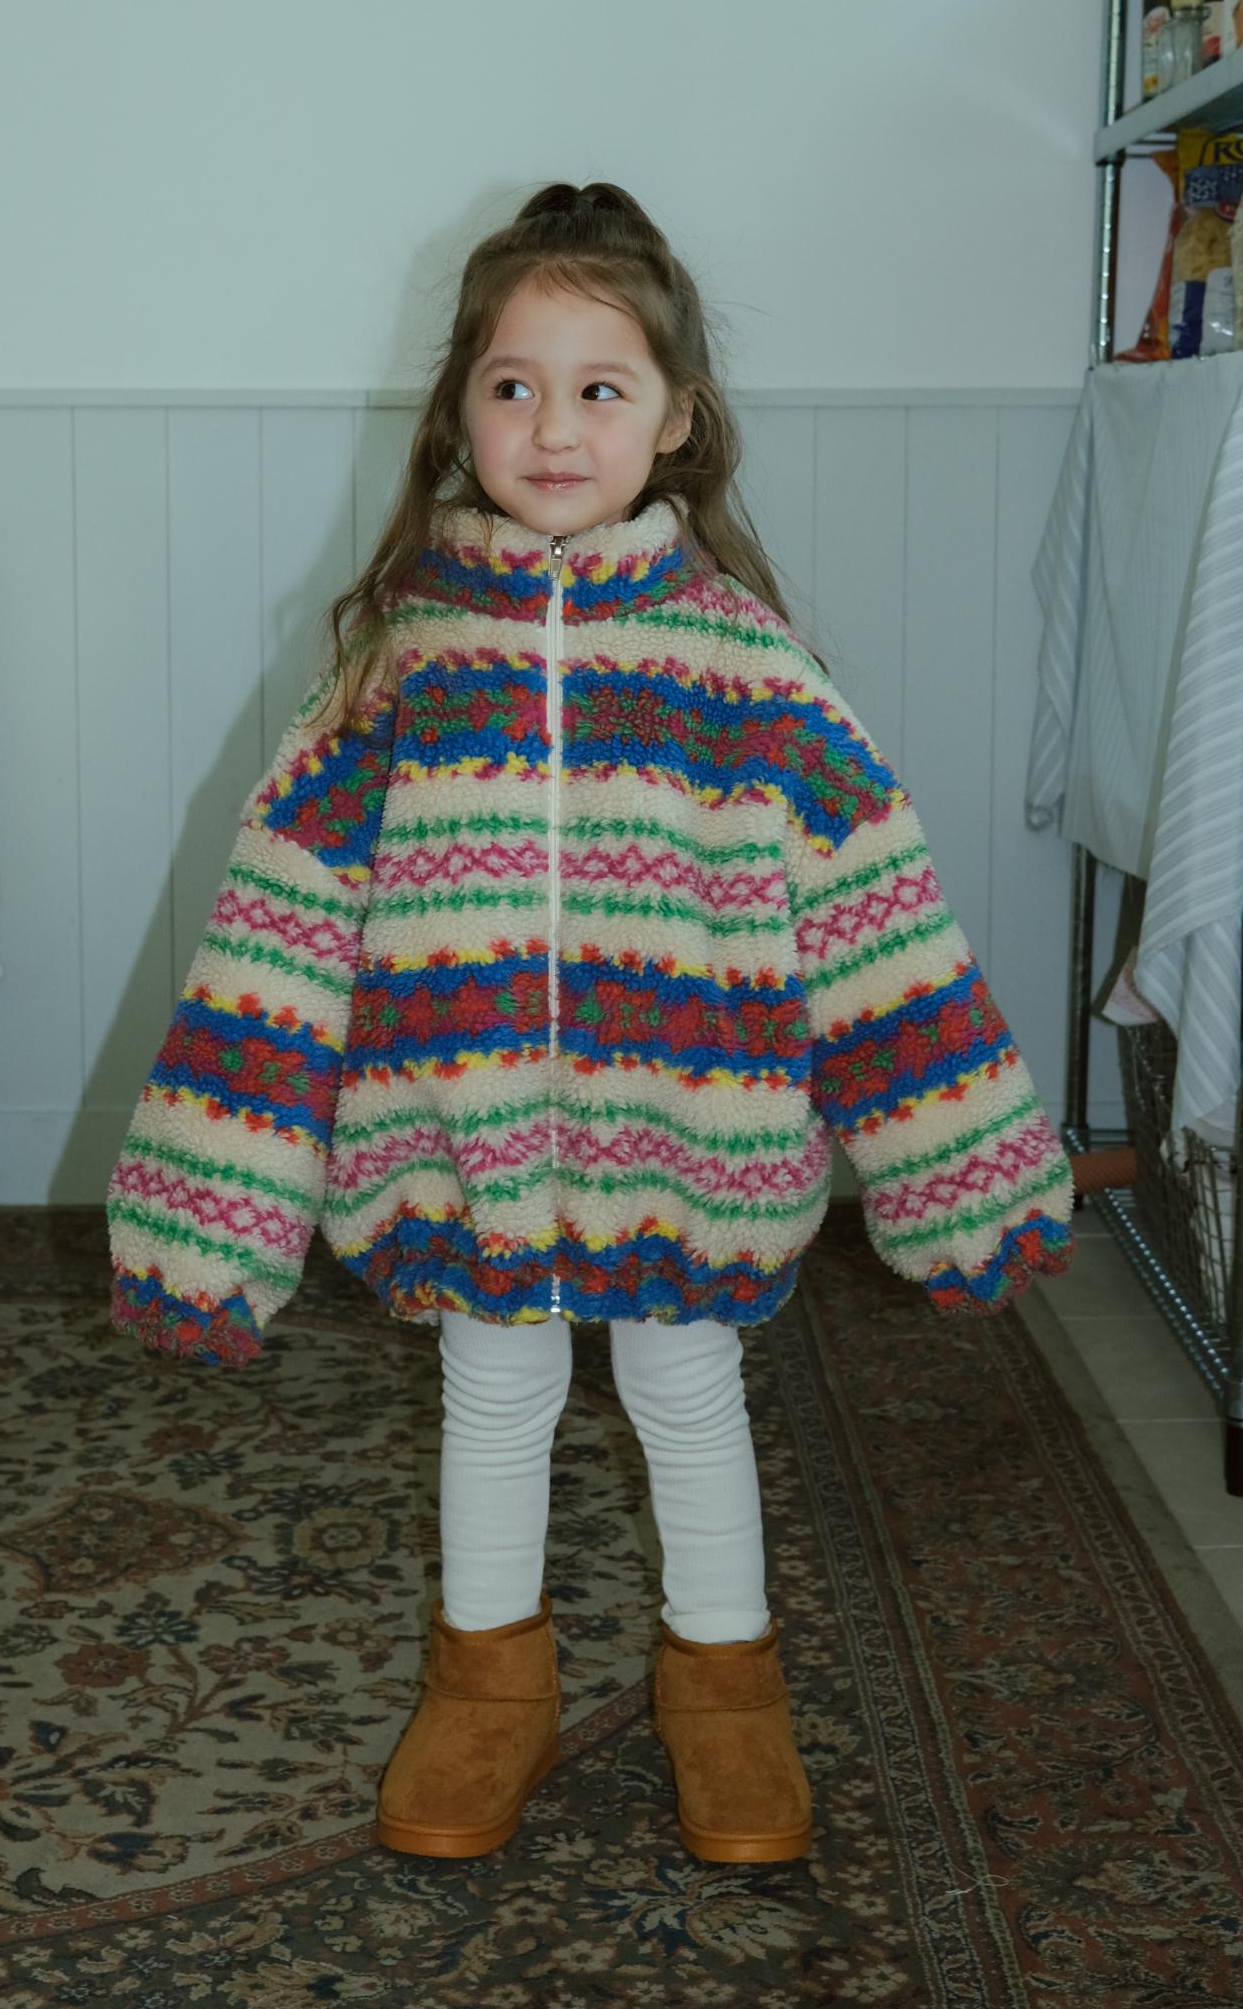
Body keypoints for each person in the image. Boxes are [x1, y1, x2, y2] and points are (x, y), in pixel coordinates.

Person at [104, 179, 1074, 1868]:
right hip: (461, 1152)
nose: (554, 427)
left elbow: (876, 917)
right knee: (493, 1395)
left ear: (676, 419)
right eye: (514, 384)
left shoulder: (744, 674)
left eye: (600, 387)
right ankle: (488, 1686)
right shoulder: (401, 672)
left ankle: (727, 1690)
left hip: (688, 1150)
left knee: (688, 1396)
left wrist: (961, 1172)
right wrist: (212, 1207)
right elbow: (280, 933)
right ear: (460, 410)